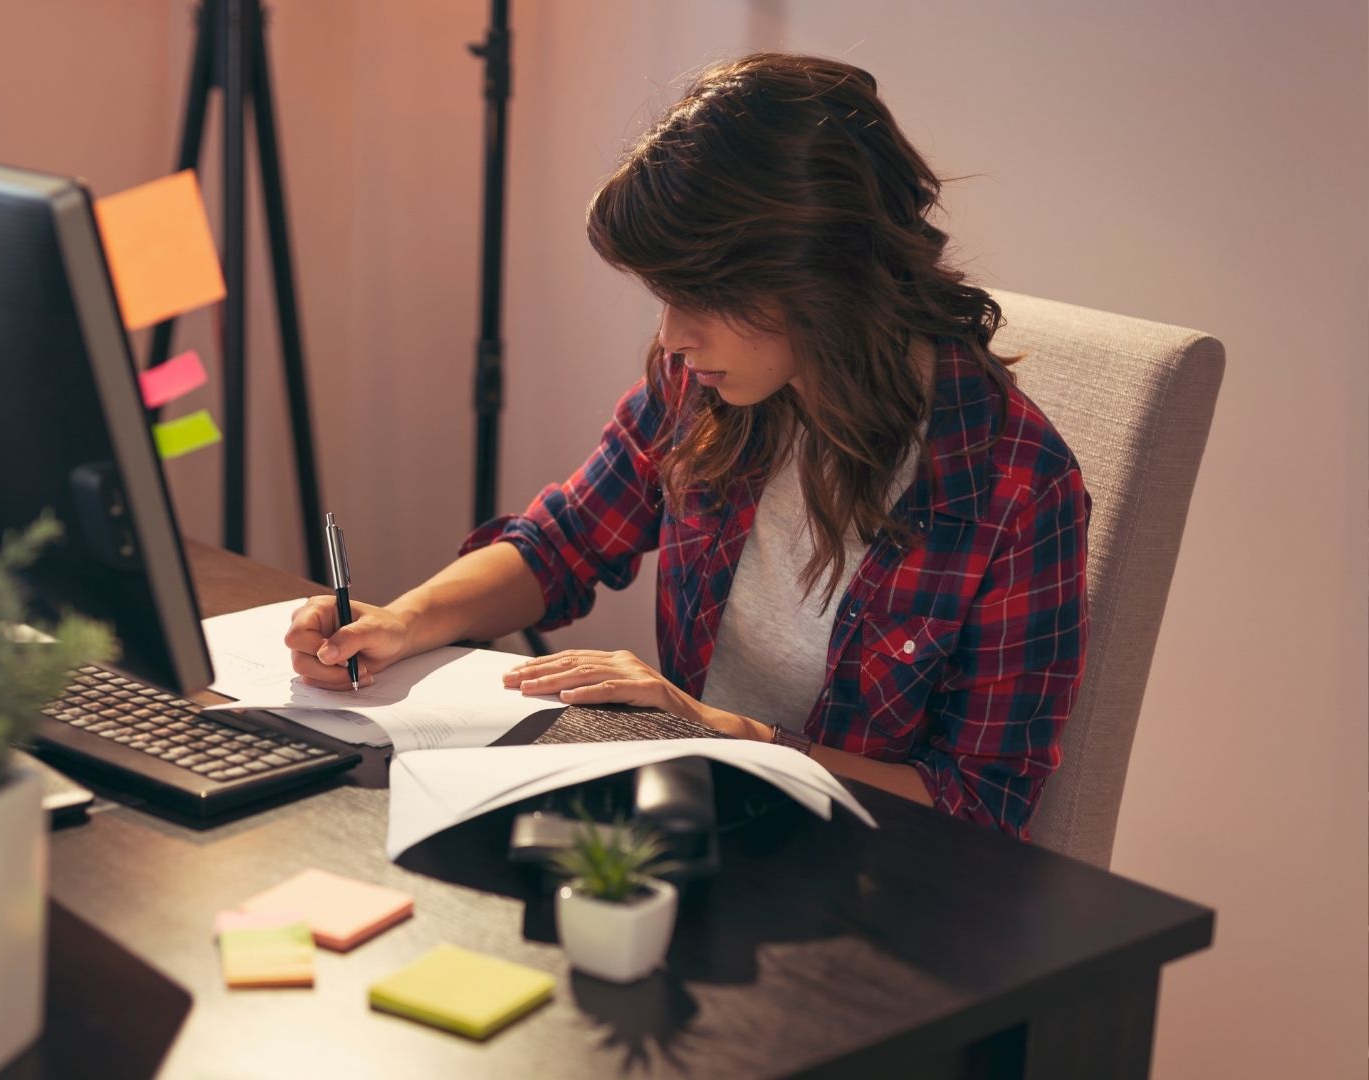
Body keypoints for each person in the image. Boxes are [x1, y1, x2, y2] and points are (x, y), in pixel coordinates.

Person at [285, 53, 1089, 839]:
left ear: (822, 276)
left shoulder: (1015, 487)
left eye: (701, 298)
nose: (671, 336)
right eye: (666, 298)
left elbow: (980, 805)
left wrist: (717, 732)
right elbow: (562, 544)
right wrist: (399, 622)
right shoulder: (710, 388)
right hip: (693, 820)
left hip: (862, 877)